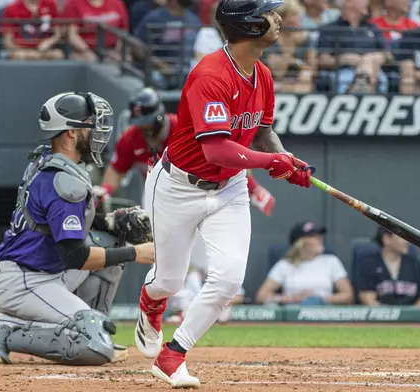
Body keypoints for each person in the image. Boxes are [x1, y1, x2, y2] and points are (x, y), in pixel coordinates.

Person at [134, 0, 313, 387]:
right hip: (178, 186)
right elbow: (215, 148)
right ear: (248, 26)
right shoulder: (210, 75)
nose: (278, 18)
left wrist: (285, 158)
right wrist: (270, 163)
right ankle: (150, 303)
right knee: (170, 281)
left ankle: (173, 354)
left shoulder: (262, 74)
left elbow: (263, 131)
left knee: (229, 279)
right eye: (269, 13)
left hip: (229, 187)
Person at [0, 92, 155, 366]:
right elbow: (76, 256)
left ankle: (95, 327)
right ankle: (8, 328)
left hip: (47, 272)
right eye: (90, 124)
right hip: (25, 281)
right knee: (93, 349)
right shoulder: (61, 180)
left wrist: (107, 221)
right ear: (70, 133)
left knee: (109, 238)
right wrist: (136, 253)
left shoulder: (53, 165)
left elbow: (60, 221)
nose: (98, 131)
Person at [96, 87, 276, 216]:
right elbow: (117, 170)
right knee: (159, 255)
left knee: (201, 261)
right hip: (159, 197)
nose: (143, 127)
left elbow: (227, 156)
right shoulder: (131, 138)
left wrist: (253, 188)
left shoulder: (184, 130)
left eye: (147, 121)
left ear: (159, 116)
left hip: (198, 193)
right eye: (139, 122)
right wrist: (105, 190)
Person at [255, 222, 354, 306]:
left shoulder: (331, 261)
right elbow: (261, 296)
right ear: (300, 243)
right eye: (313, 237)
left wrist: (320, 299)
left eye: (319, 236)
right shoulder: (285, 265)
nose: (319, 239)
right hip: (293, 316)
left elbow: (348, 295)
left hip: (324, 314)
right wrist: (290, 298)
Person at [356, 227, 420, 306]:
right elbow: (368, 298)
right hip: (381, 316)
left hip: (410, 317)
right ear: (386, 239)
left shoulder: (415, 265)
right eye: (402, 237)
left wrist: (410, 316)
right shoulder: (369, 265)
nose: (407, 241)